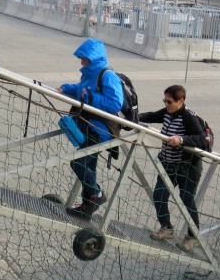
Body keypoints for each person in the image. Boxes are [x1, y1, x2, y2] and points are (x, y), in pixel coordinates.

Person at [57, 39, 124, 219]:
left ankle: (97, 194)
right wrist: (66, 89)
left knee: (77, 162)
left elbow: (116, 102)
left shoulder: (108, 75)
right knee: (89, 166)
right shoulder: (89, 74)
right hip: (88, 125)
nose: (81, 62)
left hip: (100, 129)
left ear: (93, 58)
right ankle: (88, 205)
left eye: (84, 59)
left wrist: (92, 97)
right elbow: (82, 89)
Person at [139, 85, 207, 252]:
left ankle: (193, 236)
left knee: (186, 199)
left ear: (181, 101)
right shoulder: (169, 112)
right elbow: (152, 116)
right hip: (169, 165)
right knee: (159, 195)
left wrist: (181, 139)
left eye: (169, 101)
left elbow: (202, 140)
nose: (166, 104)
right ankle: (167, 228)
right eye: (165, 100)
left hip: (188, 167)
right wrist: (133, 117)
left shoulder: (188, 117)